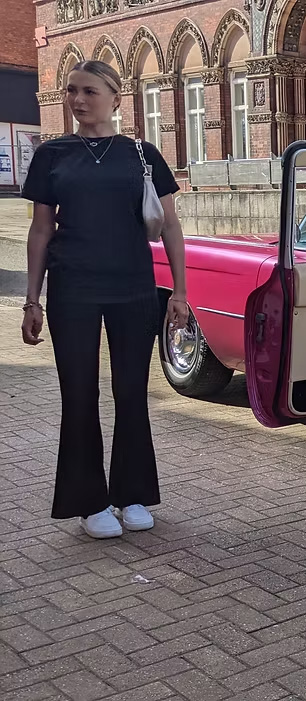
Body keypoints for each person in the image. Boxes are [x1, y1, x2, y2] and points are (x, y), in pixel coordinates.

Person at [20, 60, 189, 539]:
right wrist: (32, 299)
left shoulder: (142, 154)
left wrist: (179, 291)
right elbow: (40, 229)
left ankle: (131, 493)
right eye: (71, 91)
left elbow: (171, 226)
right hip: (72, 287)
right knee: (79, 393)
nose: (77, 100)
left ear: (116, 97)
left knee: (131, 391)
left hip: (133, 285)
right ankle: (89, 502)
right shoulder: (52, 155)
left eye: (89, 91)